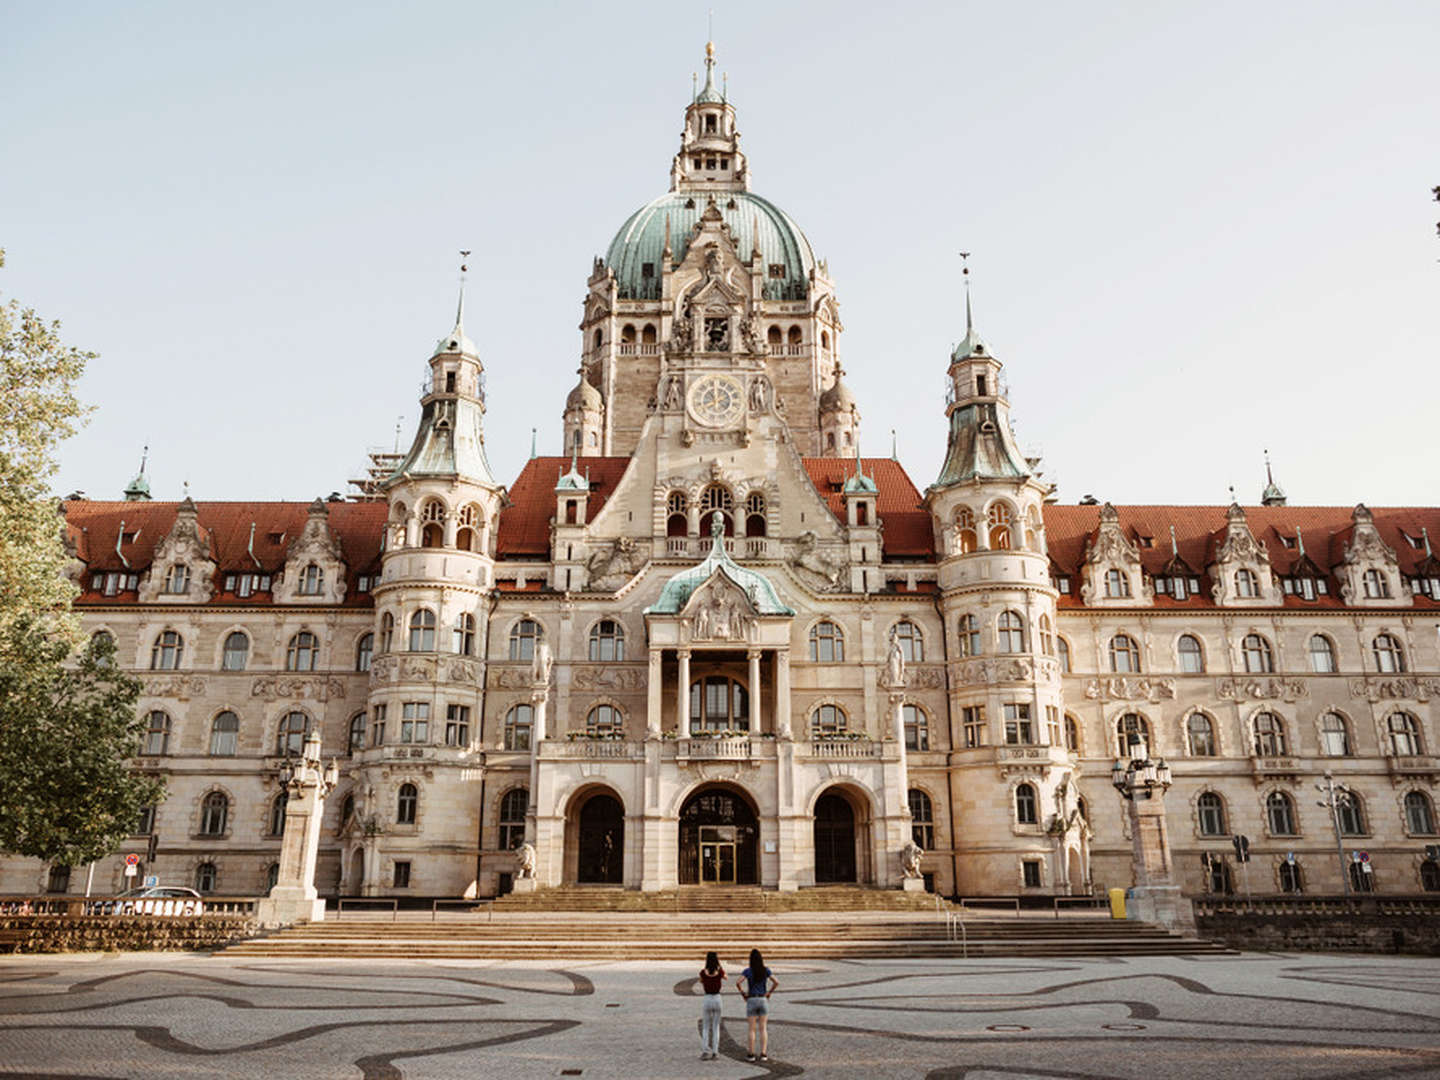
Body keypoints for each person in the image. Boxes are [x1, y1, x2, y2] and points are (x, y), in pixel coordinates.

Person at [736, 947, 777, 1062]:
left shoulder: (748, 971)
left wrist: (743, 993)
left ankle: (751, 1054)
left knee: (751, 1029)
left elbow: (738, 982)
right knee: (763, 1028)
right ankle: (763, 1053)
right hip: (763, 999)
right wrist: (769, 993)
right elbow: (776, 981)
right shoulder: (765, 970)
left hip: (752, 999)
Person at [697, 951, 725, 1060]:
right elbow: (726, 977)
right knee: (716, 1026)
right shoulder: (720, 972)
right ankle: (715, 1052)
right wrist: (720, 966)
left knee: (705, 1026)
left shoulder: (703, 972)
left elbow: (701, 981)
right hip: (717, 998)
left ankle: (705, 1051)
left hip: (707, 998)